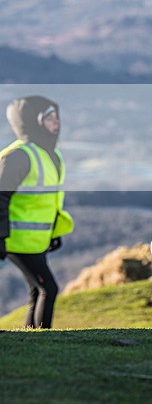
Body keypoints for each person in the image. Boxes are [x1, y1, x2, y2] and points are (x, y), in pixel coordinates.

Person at [0, 96, 74, 329]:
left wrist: (53, 233)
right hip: (15, 240)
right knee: (48, 288)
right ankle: (43, 339)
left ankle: (31, 337)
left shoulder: (51, 155)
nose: (56, 123)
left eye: (57, 118)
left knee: (36, 290)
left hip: (35, 241)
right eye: (49, 118)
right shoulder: (18, 156)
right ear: (34, 122)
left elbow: (48, 201)